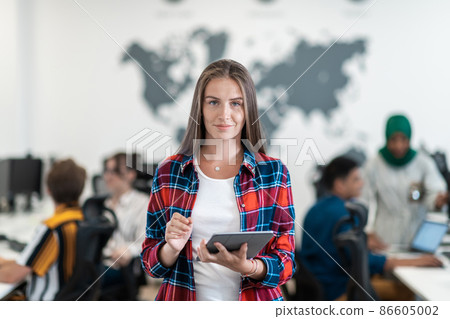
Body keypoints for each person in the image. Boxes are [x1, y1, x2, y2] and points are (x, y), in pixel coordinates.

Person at [140, 59, 296, 301]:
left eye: (236, 103)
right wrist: (171, 247)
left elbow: (286, 262)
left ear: (248, 110)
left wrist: (248, 267)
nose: (225, 115)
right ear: (200, 109)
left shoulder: (273, 173)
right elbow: (150, 265)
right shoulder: (169, 172)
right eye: (213, 102)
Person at [299, 156, 442, 301]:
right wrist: (413, 261)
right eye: (355, 179)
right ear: (339, 184)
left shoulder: (314, 210)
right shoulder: (346, 213)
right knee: (407, 293)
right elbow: (363, 261)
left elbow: (333, 245)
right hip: (339, 292)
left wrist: (363, 239)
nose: (361, 183)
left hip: (317, 290)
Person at [0, 159, 86, 300]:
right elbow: (31, 261)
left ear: (48, 190)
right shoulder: (81, 219)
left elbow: (12, 276)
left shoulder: (53, 228)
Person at [361, 114, 448, 249]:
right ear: (386, 138)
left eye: (403, 139)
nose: (398, 145)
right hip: (384, 239)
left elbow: (434, 192)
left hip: (417, 238)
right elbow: (363, 201)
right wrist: (367, 232)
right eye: (393, 139)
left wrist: (438, 201)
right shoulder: (374, 165)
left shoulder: (423, 162)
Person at [101, 152, 149, 287]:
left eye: (115, 171)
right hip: (99, 263)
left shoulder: (142, 203)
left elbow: (146, 242)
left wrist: (129, 251)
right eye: (107, 171)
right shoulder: (102, 205)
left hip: (120, 269)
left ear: (131, 174)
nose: (108, 176)